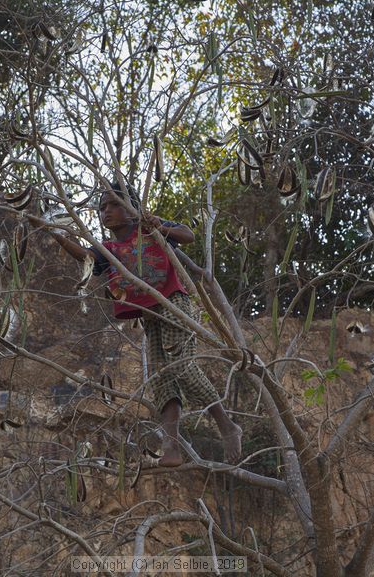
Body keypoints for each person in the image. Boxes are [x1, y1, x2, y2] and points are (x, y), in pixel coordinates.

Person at [28, 182, 242, 467]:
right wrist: (52, 231)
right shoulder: (110, 249)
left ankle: (227, 426)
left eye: (113, 204)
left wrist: (158, 228)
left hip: (173, 302)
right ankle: (172, 448)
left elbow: (187, 235)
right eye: (101, 207)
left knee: (181, 364)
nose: (105, 212)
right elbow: (86, 258)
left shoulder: (149, 228)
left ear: (131, 208)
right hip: (150, 314)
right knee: (161, 377)